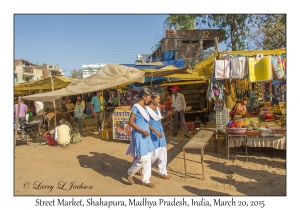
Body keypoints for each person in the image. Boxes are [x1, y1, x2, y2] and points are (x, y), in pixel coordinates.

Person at [126, 87, 156, 188]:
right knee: (143, 158)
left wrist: (149, 130)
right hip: (139, 135)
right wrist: (142, 131)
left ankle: (146, 180)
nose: (150, 99)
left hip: (146, 135)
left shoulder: (144, 108)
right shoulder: (136, 107)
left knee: (148, 158)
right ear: (144, 96)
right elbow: (130, 122)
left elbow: (145, 123)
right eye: (149, 97)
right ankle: (130, 172)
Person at [146, 92, 170, 180]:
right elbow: (146, 124)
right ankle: (143, 166)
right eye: (157, 99)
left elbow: (158, 119)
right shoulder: (147, 110)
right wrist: (155, 131)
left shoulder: (157, 108)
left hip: (160, 132)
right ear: (152, 99)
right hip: (153, 133)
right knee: (154, 154)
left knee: (163, 153)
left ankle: (162, 172)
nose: (159, 100)